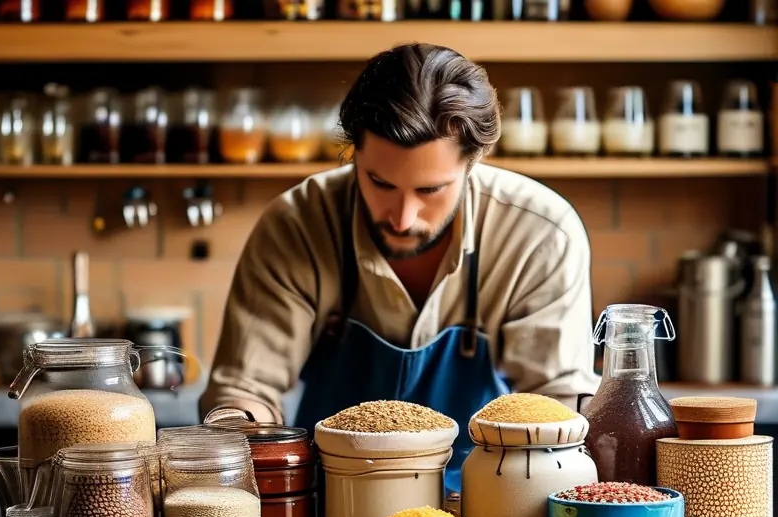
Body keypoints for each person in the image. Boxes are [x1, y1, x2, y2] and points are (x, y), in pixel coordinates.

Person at [199, 42, 600, 492]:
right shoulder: (297, 225)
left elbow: (556, 407)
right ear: (354, 153)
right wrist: (235, 435)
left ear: (475, 162)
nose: (403, 218)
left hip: (484, 502)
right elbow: (244, 390)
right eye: (379, 182)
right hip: (329, 505)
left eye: (430, 190)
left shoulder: (540, 234)